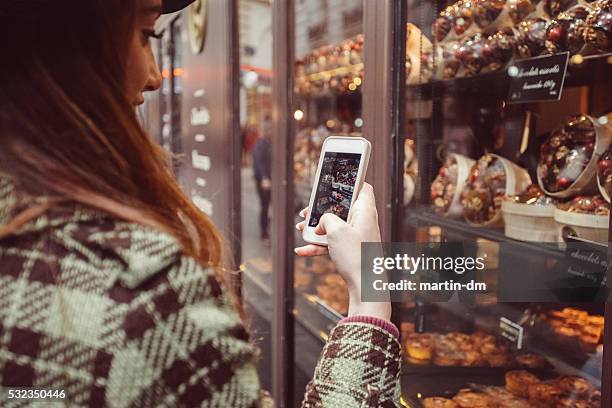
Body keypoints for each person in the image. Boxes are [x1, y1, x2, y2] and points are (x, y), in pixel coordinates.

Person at [0, 0, 401, 407]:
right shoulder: (141, 300)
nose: (155, 76)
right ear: (67, 50)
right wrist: (371, 295)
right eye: (145, 35)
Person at [252, 121, 272, 245]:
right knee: (264, 206)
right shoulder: (261, 144)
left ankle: (267, 225)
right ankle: (264, 232)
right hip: (263, 181)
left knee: (267, 206)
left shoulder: (270, 143)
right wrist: (264, 177)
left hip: (270, 179)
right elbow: (259, 162)